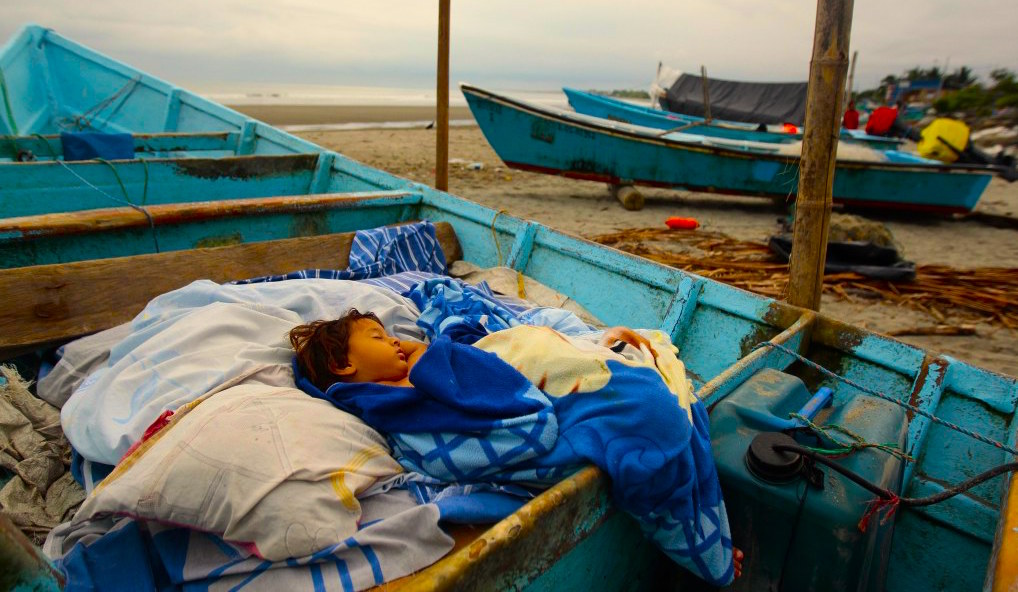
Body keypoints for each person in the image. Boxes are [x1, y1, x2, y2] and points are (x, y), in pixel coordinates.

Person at [289, 309, 655, 391]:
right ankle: (604, 352)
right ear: (342, 365)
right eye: (378, 338)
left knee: (543, 329)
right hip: (515, 378)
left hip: (501, 356)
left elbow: (440, 352)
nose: (395, 340)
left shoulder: (405, 371)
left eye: (389, 335)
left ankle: (598, 347)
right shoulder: (382, 394)